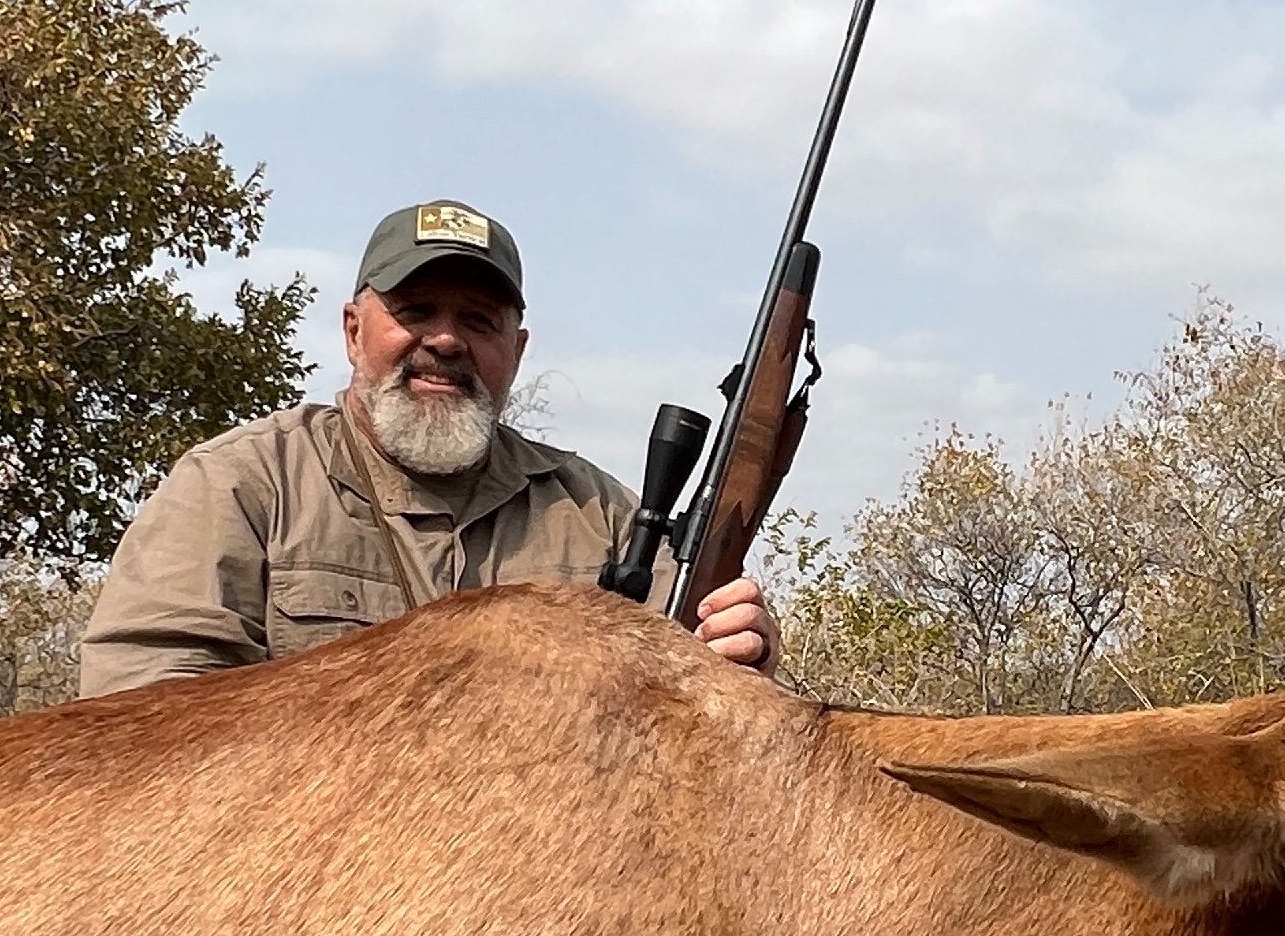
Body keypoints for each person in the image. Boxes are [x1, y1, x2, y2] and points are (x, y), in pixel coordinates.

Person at [75, 198, 778, 698]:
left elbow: (695, 696)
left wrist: (742, 649)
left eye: (478, 320)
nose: (446, 340)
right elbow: (137, 715)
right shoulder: (241, 483)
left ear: (517, 351)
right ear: (353, 330)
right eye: (415, 312)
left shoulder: (602, 515)